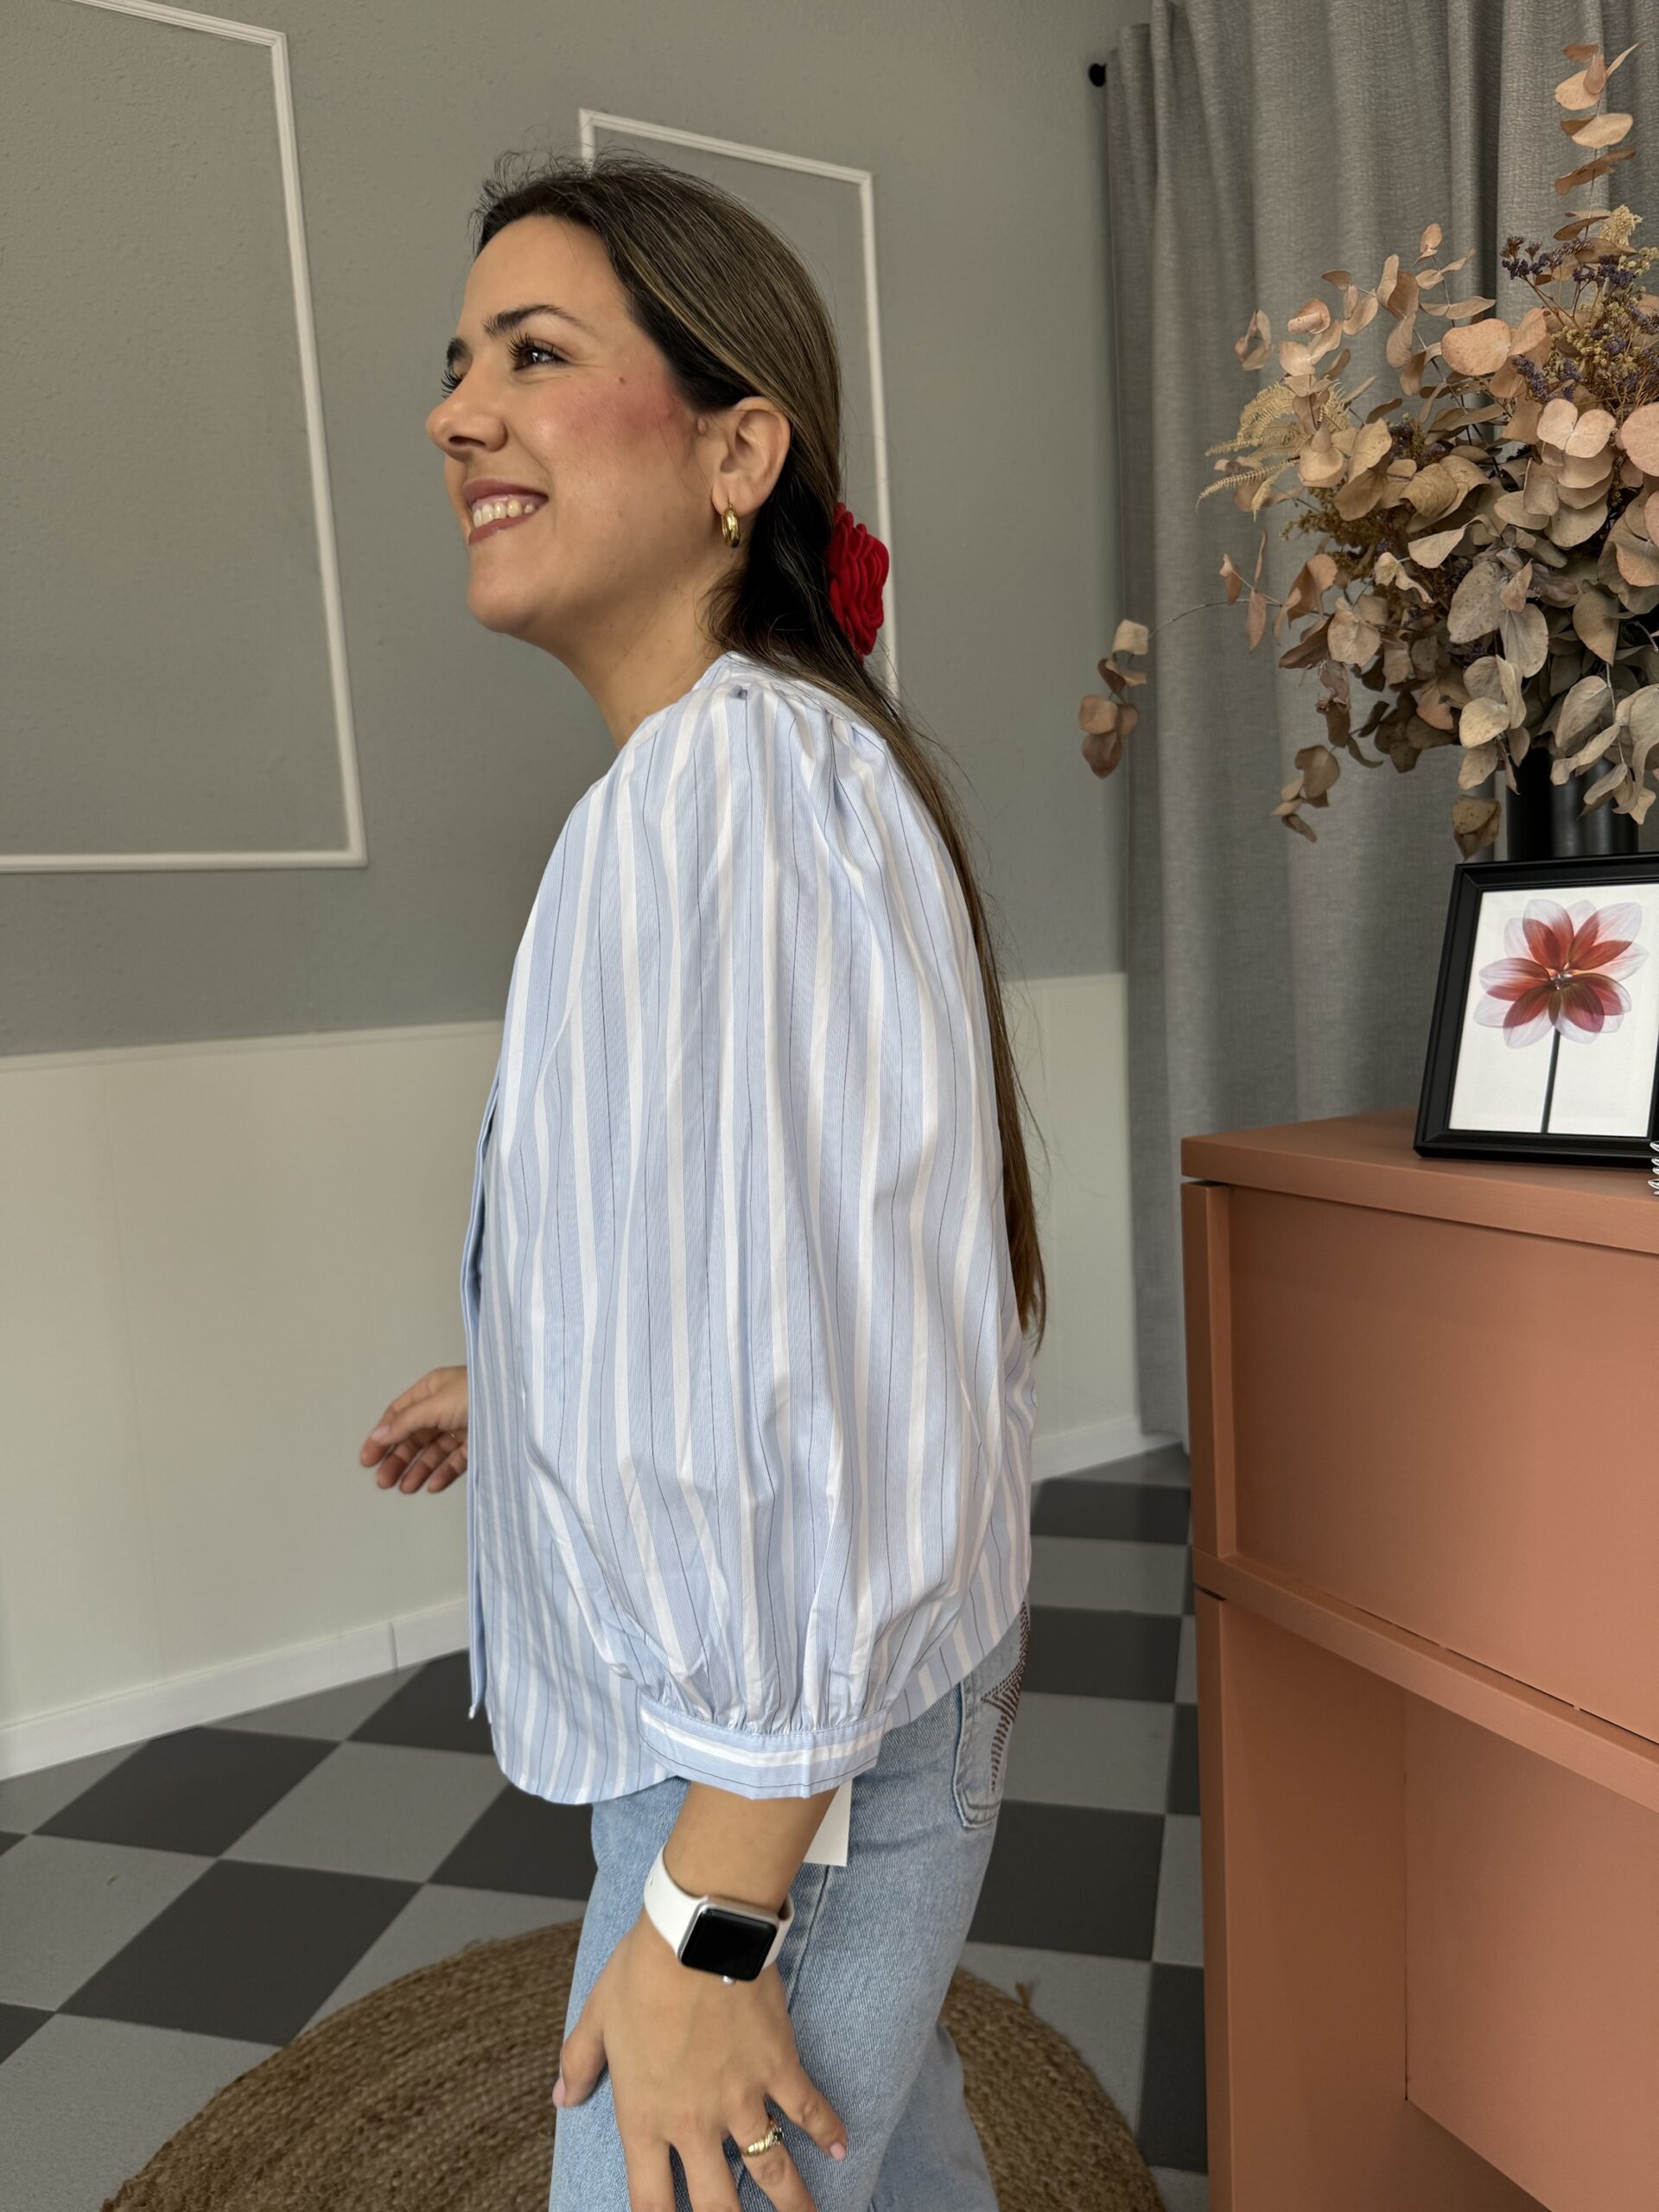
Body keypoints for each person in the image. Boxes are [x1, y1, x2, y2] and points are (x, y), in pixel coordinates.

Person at [358, 145, 1046, 2212]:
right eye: (457, 363)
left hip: (775, 1788)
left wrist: (709, 1921)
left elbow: (827, 1385)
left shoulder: (728, 791)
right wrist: (527, 1380)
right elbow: (763, 1287)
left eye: (532, 354)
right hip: (792, 1756)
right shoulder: (729, 779)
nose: (455, 414)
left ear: (741, 451)